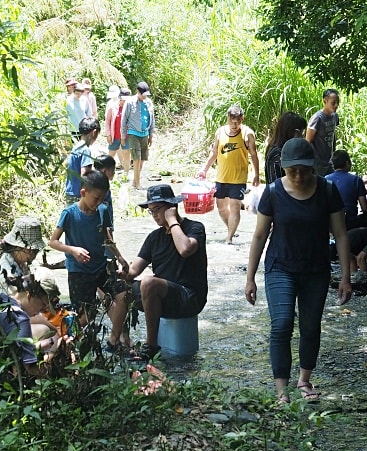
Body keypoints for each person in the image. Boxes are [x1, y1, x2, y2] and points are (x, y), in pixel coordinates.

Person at [245, 138, 352, 404]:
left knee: (310, 326)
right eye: (293, 170)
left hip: (315, 269)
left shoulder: (327, 190)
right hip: (280, 266)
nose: (299, 175)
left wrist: (346, 277)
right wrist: (250, 278)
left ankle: (304, 380)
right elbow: (259, 237)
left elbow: (340, 234)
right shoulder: (272, 193)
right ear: (283, 168)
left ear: (313, 166)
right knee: (281, 324)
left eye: (304, 169)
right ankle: (281, 388)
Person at [123, 184, 208, 363]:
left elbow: (185, 249)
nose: (154, 215)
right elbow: (133, 271)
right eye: (151, 211)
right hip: (161, 296)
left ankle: (151, 346)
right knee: (118, 288)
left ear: (171, 207)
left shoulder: (195, 227)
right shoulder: (154, 237)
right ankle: (120, 341)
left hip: (189, 297)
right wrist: (121, 269)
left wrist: (172, 221)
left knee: (149, 282)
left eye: (158, 210)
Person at [49, 171, 130, 349]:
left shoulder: (103, 210)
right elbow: (52, 241)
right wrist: (72, 250)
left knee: (124, 295)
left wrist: (119, 256)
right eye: (96, 198)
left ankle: (113, 340)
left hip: (101, 268)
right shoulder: (69, 214)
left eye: (102, 198)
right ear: (83, 192)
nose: (99, 202)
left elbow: (107, 237)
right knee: (86, 314)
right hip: (79, 272)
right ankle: (65, 343)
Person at [0, 217, 71, 375]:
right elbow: (21, 313)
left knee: (51, 329)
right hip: (3, 328)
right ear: (19, 248)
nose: (35, 254)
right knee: (46, 330)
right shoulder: (6, 274)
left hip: (8, 321)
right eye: (32, 251)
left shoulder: (18, 264)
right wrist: (55, 337)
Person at [198, 104, 261, 244]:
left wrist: (257, 174)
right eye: (232, 121)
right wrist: (204, 170)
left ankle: (229, 238)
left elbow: (254, 155)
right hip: (221, 176)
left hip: (238, 178)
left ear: (242, 119)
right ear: (227, 118)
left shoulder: (247, 134)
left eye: (238, 121)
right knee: (221, 207)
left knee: (235, 207)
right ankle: (231, 229)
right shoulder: (220, 132)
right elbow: (214, 153)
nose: (235, 125)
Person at [326, 149, 367, 229]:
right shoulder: (356, 180)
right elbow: (365, 209)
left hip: (330, 223)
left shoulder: (325, 179)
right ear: (347, 163)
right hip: (350, 221)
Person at [120, 81, 155, 190]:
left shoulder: (149, 103)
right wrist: (122, 136)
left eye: (146, 95)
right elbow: (124, 119)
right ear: (137, 92)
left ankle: (135, 182)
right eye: (143, 94)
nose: (145, 97)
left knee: (143, 158)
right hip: (133, 132)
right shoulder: (130, 102)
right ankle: (138, 183)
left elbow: (152, 119)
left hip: (144, 133)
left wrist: (151, 135)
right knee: (136, 158)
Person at [64, 117, 100, 205]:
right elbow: (84, 174)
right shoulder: (85, 150)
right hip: (78, 194)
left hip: (70, 191)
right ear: (94, 132)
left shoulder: (76, 147)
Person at [305, 88, 340, 176]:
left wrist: (334, 153)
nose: (336, 105)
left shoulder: (335, 116)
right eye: (333, 103)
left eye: (337, 102)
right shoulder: (317, 118)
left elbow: (332, 134)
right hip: (318, 163)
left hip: (329, 160)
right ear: (325, 101)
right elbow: (308, 141)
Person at [264, 111, 307, 182]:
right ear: (294, 132)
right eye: (301, 132)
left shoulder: (284, 149)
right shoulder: (277, 153)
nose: (302, 137)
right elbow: (275, 183)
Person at [103, 85, 131, 179]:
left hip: (126, 136)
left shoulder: (130, 107)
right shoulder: (112, 107)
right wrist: (108, 134)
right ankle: (106, 173)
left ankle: (126, 174)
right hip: (115, 135)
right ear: (119, 98)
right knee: (111, 155)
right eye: (123, 100)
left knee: (126, 154)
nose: (124, 102)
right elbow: (107, 121)